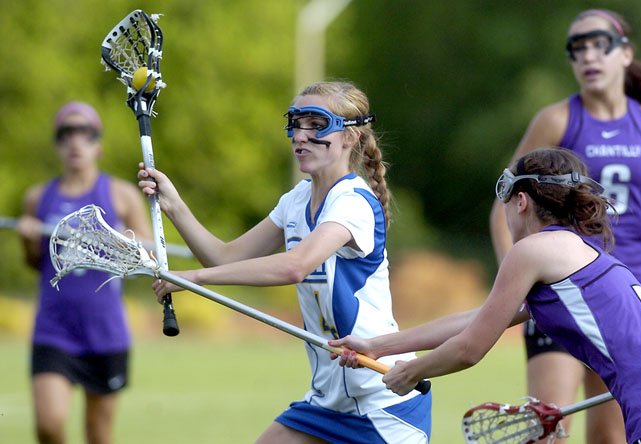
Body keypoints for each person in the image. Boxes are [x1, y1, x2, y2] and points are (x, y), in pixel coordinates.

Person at [137, 80, 432, 443]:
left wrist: (196, 278)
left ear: (350, 137)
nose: (300, 135)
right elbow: (225, 256)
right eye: (295, 123)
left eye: (316, 124)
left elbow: (295, 266)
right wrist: (175, 206)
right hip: (327, 403)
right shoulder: (296, 200)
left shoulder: (353, 201)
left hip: (382, 402)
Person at [332, 147, 641, 444]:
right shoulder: (579, 254)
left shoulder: (531, 251)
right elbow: (474, 321)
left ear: (520, 201)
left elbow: (469, 349)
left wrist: (413, 372)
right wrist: (379, 345)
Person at [489, 9, 641, 443]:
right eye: (577, 47)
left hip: (624, 301)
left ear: (624, 54)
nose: (588, 55)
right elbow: (503, 205)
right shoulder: (558, 120)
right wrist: (515, 280)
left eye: (599, 44)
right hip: (560, 288)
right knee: (547, 429)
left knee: (610, 438)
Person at [17, 101, 151, 444]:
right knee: (49, 425)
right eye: (66, 133)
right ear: (57, 144)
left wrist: (118, 243)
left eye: (85, 134)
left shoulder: (121, 195)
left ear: (98, 145)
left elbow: (149, 256)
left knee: (98, 434)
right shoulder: (37, 199)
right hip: (54, 329)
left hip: (105, 332)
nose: (76, 142)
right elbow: (35, 264)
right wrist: (29, 239)